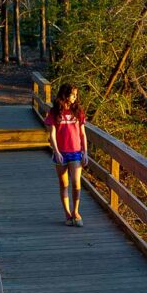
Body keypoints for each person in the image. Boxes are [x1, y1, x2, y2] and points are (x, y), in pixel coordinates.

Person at [44, 84, 88, 227]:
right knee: (64, 184)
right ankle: (67, 214)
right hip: (61, 152)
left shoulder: (78, 111)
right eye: (73, 94)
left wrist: (85, 152)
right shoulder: (55, 112)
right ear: (65, 95)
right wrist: (56, 151)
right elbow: (52, 134)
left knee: (76, 184)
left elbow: (82, 133)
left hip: (75, 152)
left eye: (76, 95)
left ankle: (76, 212)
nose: (75, 97)